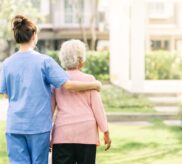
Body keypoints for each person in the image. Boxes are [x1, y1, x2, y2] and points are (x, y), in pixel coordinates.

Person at [0, 15, 101, 164]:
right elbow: (67, 84)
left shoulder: (7, 64)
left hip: (14, 127)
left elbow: (5, 92)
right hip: (38, 127)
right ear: (34, 36)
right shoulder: (44, 61)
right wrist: (94, 85)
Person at [51, 40, 111, 164]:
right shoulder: (89, 80)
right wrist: (105, 131)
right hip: (86, 133)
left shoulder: (56, 81)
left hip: (63, 134)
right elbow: (97, 109)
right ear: (81, 60)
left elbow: (49, 110)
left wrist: (47, 135)